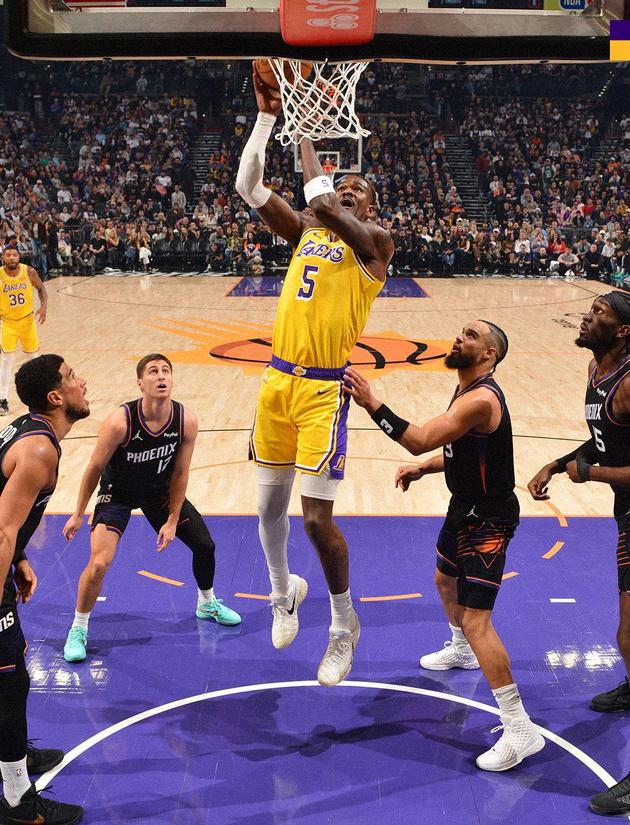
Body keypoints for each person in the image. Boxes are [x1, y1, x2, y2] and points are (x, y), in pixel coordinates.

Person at [235, 65, 393, 687]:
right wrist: (269, 116)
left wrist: (301, 127)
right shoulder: (305, 229)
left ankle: (343, 623)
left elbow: (323, 201)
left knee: (315, 520)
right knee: (266, 507)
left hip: (325, 388)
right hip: (277, 381)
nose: (348, 192)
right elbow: (248, 185)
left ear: (372, 207)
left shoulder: (374, 243)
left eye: (359, 189)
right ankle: (283, 593)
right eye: (343, 184)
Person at [344, 321, 545, 771]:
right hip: (463, 508)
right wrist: (427, 469)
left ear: (489, 354)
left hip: (488, 519)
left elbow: (419, 439)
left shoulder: (481, 398)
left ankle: (520, 728)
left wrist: (372, 402)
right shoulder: (466, 390)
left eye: (471, 335)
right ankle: (461, 650)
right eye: (461, 332)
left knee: (478, 622)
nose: (459, 338)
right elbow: (456, 449)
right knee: (443, 578)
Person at [528, 292, 630, 816]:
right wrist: (559, 464)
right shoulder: (597, 369)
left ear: (623, 330)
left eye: (600, 311)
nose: (587, 314)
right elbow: (605, 442)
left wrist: (592, 475)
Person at [61, 353, 241, 663]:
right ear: (140, 383)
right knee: (100, 563)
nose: (161, 376)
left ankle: (207, 603)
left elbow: (181, 473)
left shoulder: (185, 420)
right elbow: (94, 468)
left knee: (205, 545)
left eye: (166, 371)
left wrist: (172, 520)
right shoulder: (120, 422)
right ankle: (78, 628)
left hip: (159, 493)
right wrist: (78, 513)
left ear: (172, 380)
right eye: (153, 371)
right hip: (118, 494)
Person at [0, 355, 88, 825]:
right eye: (72, 377)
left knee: (11, 673)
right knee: (9, 680)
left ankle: (11, 755)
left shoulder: (29, 430)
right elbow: (1, 530)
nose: (82, 382)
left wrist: (18, 559)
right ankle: (17, 801)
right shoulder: (38, 450)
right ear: (56, 397)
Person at [0, 248, 47, 417]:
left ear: (19, 257)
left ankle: (38, 399)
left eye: (14, 255)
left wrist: (43, 307)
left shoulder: (29, 271)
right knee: (6, 361)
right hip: (7, 323)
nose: (11, 258)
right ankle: (3, 399)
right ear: (3, 258)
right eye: (8, 255)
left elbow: (41, 289)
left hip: (27, 321)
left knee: (33, 360)